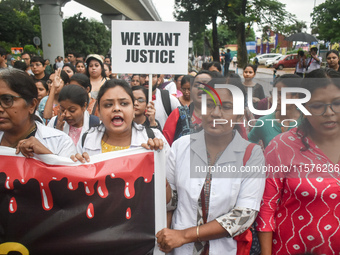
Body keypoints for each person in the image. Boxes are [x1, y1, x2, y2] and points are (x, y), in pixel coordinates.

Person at [156, 76, 265, 254]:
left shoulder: (251, 155)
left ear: (239, 114)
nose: (215, 113)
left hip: (224, 249)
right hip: (180, 250)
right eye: (210, 104)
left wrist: (184, 235)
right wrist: (155, 159)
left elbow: (243, 215)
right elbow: (170, 202)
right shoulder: (181, 146)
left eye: (226, 107)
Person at [256, 68, 340, 255]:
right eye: (318, 105)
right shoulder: (282, 146)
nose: (329, 112)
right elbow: (267, 208)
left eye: (337, 103)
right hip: (291, 248)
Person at [71, 79, 169, 162]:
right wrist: (76, 165)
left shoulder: (154, 138)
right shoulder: (86, 139)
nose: (116, 108)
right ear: (99, 112)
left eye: (124, 103)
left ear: (133, 109)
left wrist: (158, 156)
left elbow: (170, 182)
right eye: (108, 105)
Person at [0, 68, 76, 157]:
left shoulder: (59, 143)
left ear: (32, 105)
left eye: (7, 100)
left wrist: (47, 157)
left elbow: (67, 171)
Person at [163, 71, 220, 146]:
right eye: (196, 85)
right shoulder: (178, 114)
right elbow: (165, 146)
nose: (201, 88)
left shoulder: (224, 116)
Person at [247, 74, 303, 148]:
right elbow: (248, 144)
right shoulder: (264, 123)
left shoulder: (308, 121)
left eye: (280, 94)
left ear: (296, 96)